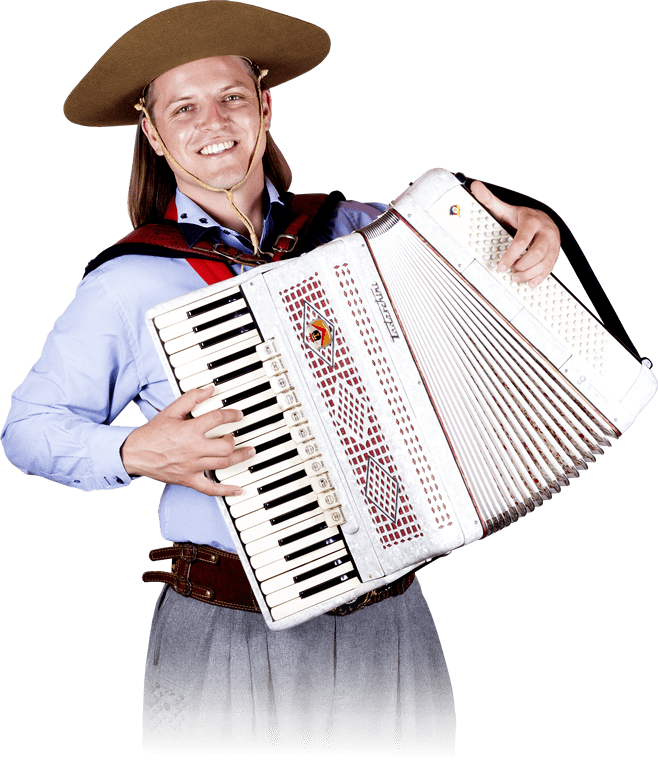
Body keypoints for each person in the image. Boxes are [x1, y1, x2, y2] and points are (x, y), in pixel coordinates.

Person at [2, 1, 562, 754]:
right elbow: (28, 430)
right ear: (155, 134)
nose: (213, 122)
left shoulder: (360, 231)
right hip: (227, 621)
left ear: (264, 108)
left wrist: (529, 229)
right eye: (184, 108)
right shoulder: (127, 284)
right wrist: (133, 451)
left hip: (394, 617)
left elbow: (490, 264)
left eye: (232, 97)